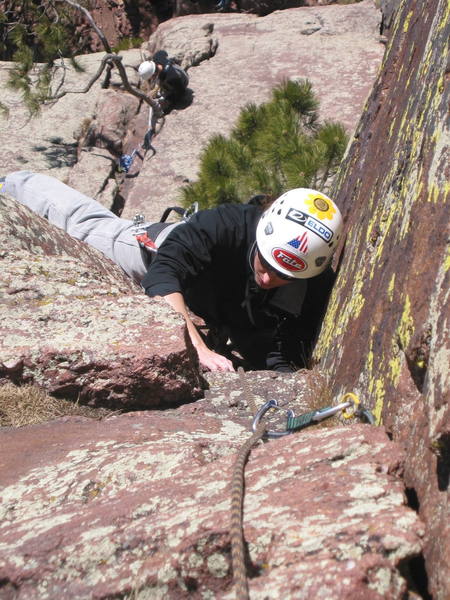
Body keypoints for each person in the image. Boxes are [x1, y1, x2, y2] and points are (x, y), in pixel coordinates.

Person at [1, 171, 343, 373]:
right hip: (155, 253)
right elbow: (164, 274)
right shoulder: (226, 224)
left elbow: (287, 347)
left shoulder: (309, 282)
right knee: (86, 228)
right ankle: (14, 183)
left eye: (283, 275)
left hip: (217, 301)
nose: (269, 278)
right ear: (261, 233)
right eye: (265, 263)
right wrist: (198, 348)